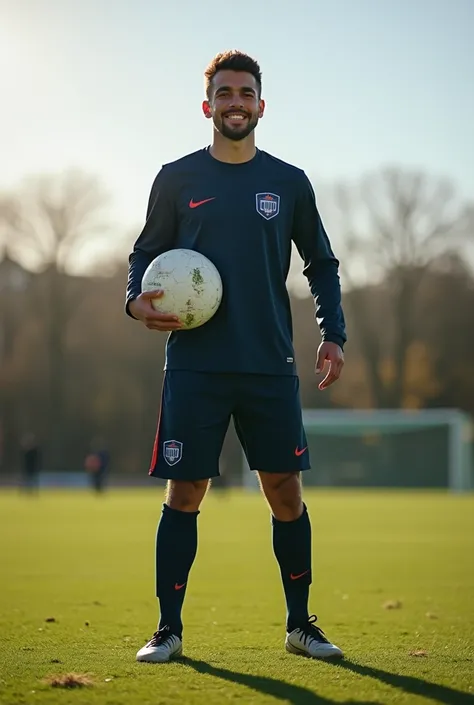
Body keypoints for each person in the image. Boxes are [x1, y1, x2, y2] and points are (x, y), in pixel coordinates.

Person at [125, 50, 347, 664]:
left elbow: (321, 264)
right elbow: (143, 255)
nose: (235, 103)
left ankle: (301, 626)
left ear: (260, 105)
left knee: (284, 492)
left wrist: (334, 333)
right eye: (224, 94)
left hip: (268, 362)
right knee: (185, 491)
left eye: (245, 93)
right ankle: (167, 631)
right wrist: (134, 303)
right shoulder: (177, 178)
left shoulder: (288, 181)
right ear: (208, 106)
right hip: (195, 364)